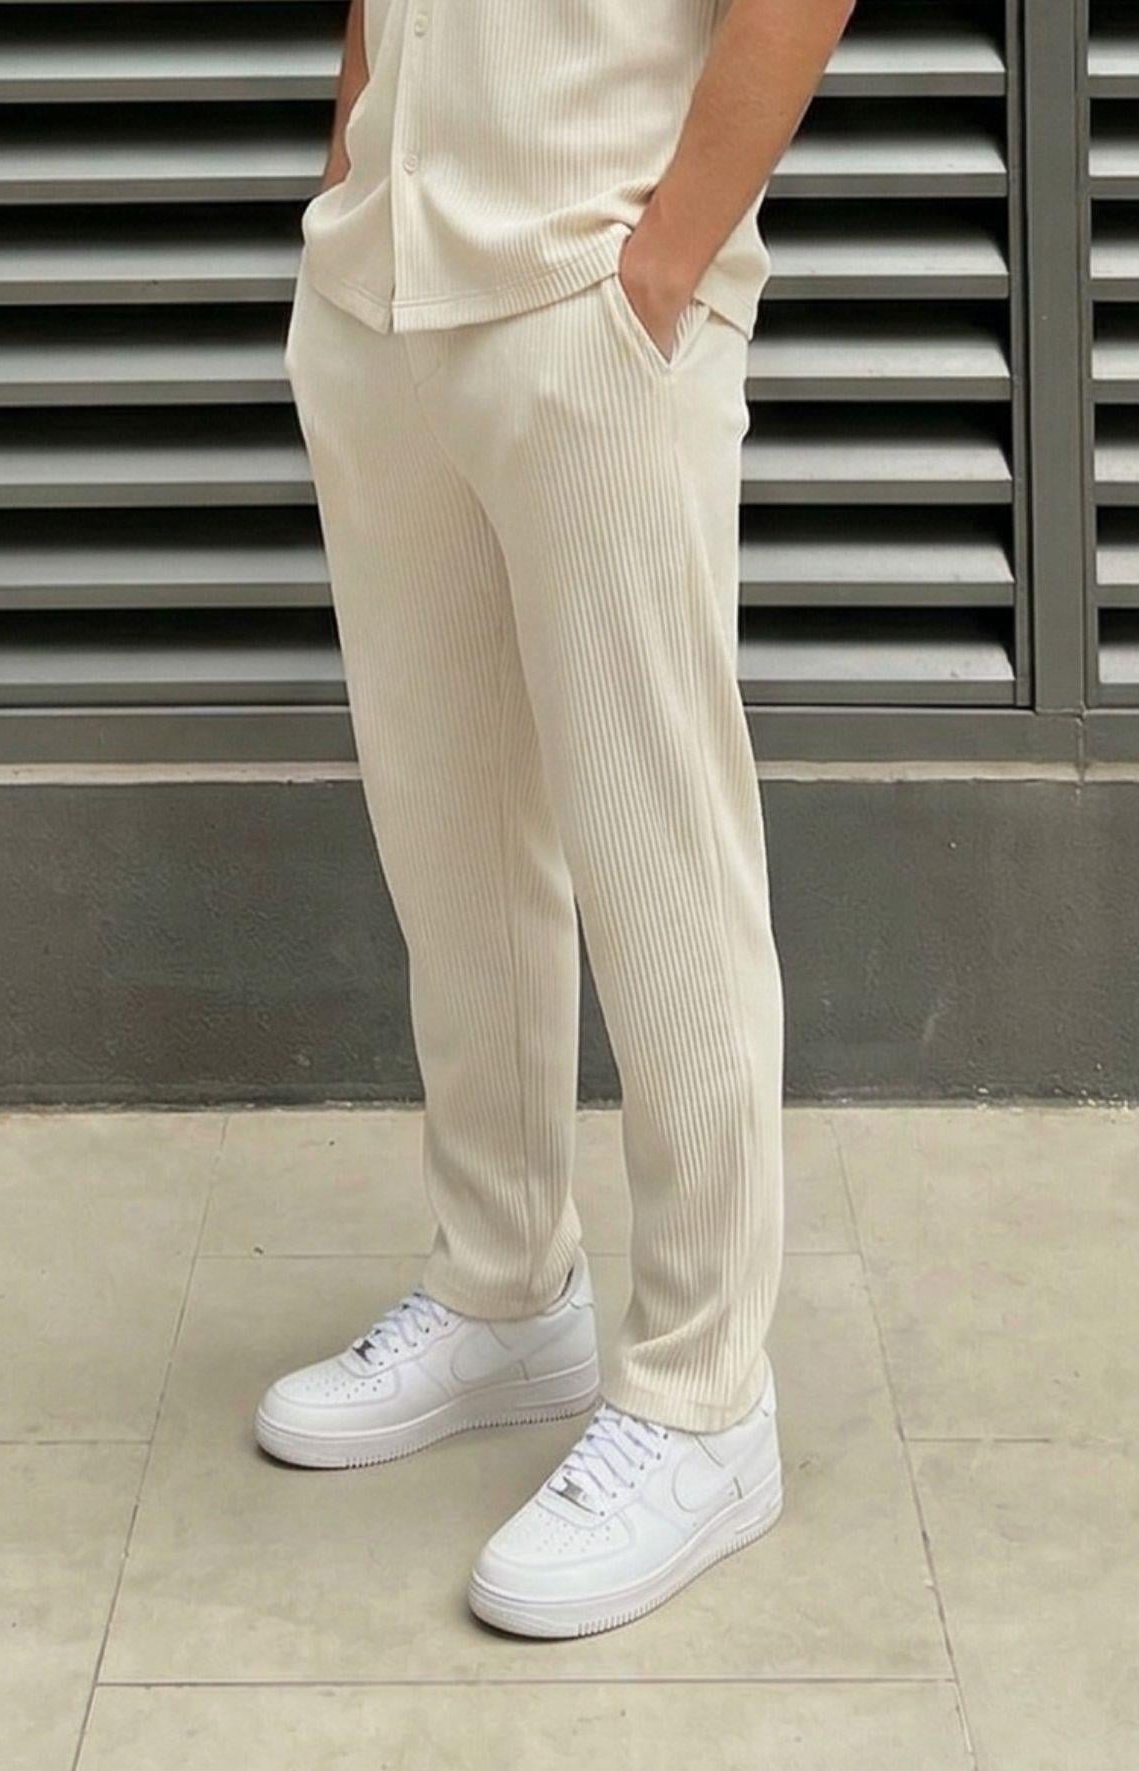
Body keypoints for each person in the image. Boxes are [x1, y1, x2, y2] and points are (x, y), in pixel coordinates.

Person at [256, 0, 855, 1638]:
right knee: (445, 833)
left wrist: (662, 270)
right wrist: (352, 182)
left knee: (663, 858)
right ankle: (504, 1283)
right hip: (384, 292)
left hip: (592, 284)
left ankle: (703, 1395)